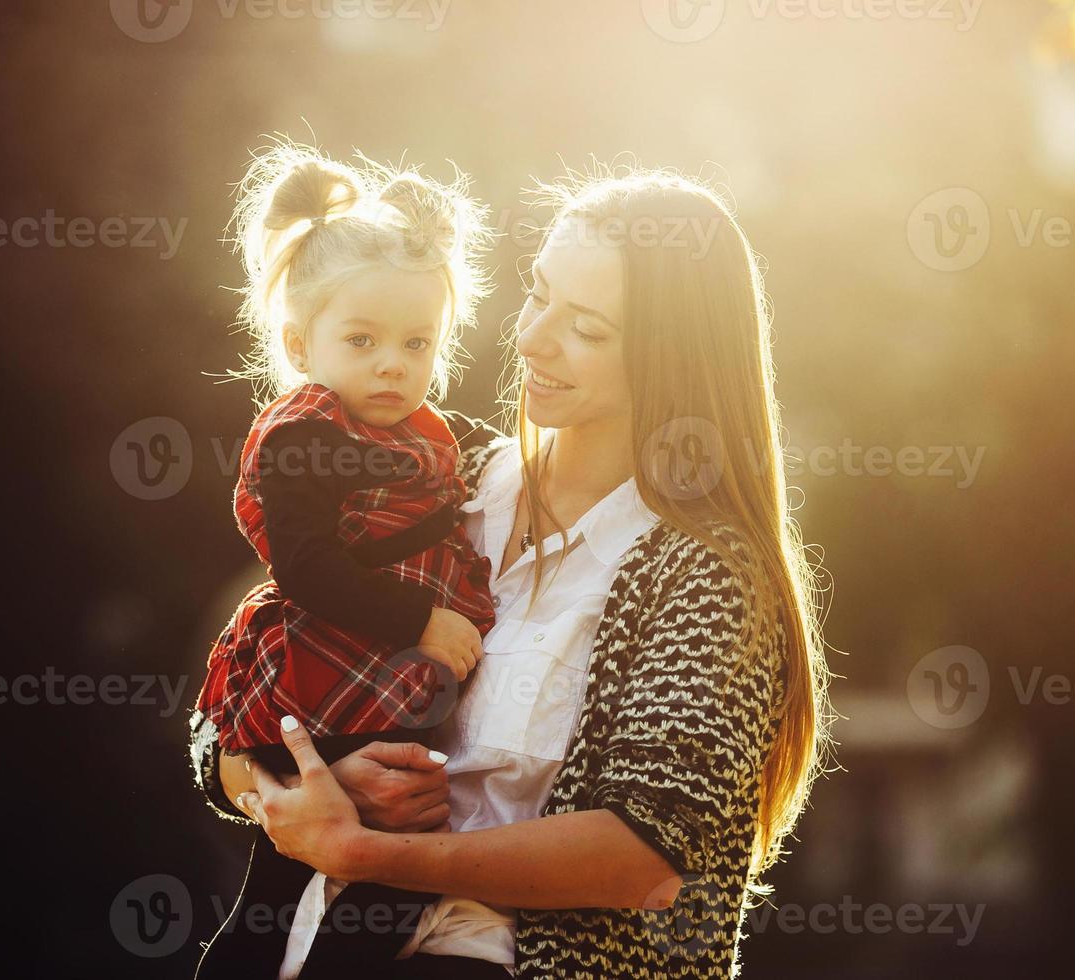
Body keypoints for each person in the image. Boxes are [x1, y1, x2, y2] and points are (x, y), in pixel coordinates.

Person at [192, 166, 833, 979]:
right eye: (537, 295)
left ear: (670, 359)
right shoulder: (434, 478)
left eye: (588, 329)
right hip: (302, 947)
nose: (531, 338)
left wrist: (366, 850)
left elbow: (646, 858)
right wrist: (310, 775)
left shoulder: (708, 577)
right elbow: (227, 720)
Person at [190, 142, 500, 976]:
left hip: (379, 695)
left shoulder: (417, 434)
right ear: (300, 342)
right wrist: (423, 620)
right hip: (324, 690)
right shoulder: (306, 435)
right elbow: (307, 569)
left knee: (348, 889)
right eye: (361, 340)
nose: (393, 365)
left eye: (416, 343)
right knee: (302, 891)